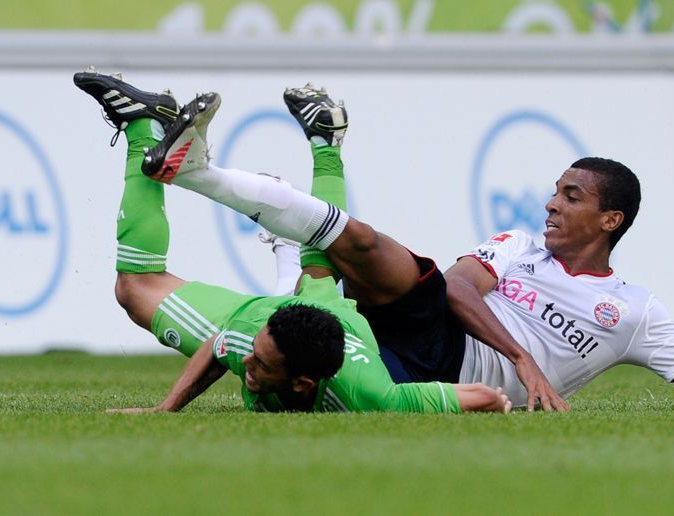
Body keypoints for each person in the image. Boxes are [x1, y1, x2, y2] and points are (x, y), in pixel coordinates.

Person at [140, 79, 674, 412]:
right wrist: (523, 356)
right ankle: (203, 171)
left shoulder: (634, 313)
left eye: (573, 196)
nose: (552, 202)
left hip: (438, 377)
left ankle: (314, 161)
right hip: (439, 325)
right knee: (365, 247)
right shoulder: (518, 246)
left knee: (300, 309)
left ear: (611, 221)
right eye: (555, 190)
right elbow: (456, 288)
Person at [72, 68, 511, 414]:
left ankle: (322, 144)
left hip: (329, 315)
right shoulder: (250, 337)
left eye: (261, 365)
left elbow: (482, 397)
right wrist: (165, 409)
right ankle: (144, 131)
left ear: (303, 384)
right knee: (134, 287)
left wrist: (499, 401)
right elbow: (223, 342)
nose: (246, 363)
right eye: (255, 355)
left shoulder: (369, 391)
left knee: (316, 269)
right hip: (271, 314)